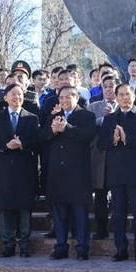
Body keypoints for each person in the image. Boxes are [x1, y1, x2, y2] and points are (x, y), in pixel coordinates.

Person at [98, 83, 136, 262]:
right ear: (116, 97)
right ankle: (120, 249)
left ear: (134, 96)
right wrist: (113, 140)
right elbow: (100, 144)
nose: (124, 97)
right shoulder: (109, 119)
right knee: (118, 214)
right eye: (120, 94)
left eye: (127, 94)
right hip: (116, 173)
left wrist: (127, 139)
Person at [41, 85, 95, 260]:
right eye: (61, 98)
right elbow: (42, 138)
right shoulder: (54, 116)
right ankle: (61, 246)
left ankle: (82, 247)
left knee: (80, 214)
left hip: (78, 173)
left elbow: (87, 137)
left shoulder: (87, 115)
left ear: (76, 97)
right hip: (57, 172)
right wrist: (52, 130)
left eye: (68, 97)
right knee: (59, 213)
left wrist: (67, 128)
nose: (64, 100)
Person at [0, 83, 39, 258]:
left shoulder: (32, 118)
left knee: (25, 208)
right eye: (13, 94)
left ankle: (25, 244)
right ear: (5, 98)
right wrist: (5, 146)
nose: (17, 97)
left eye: (20, 94)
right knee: (5, 207)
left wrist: (22, 144)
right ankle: (7, 243)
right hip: (3, 169)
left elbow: (37, 142)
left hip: (25, 168)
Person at [86, 74, 120, 240]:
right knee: (100, 194)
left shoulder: (124, 105)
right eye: (105, 86)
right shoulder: (93, 106)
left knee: (119, 195)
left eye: (112, 86)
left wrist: (114, 116)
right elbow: (88, 126)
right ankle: (101, 229)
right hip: (98, 156)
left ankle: (118, 229)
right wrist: (105, 119)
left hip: (118, 156)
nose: (108, 89)